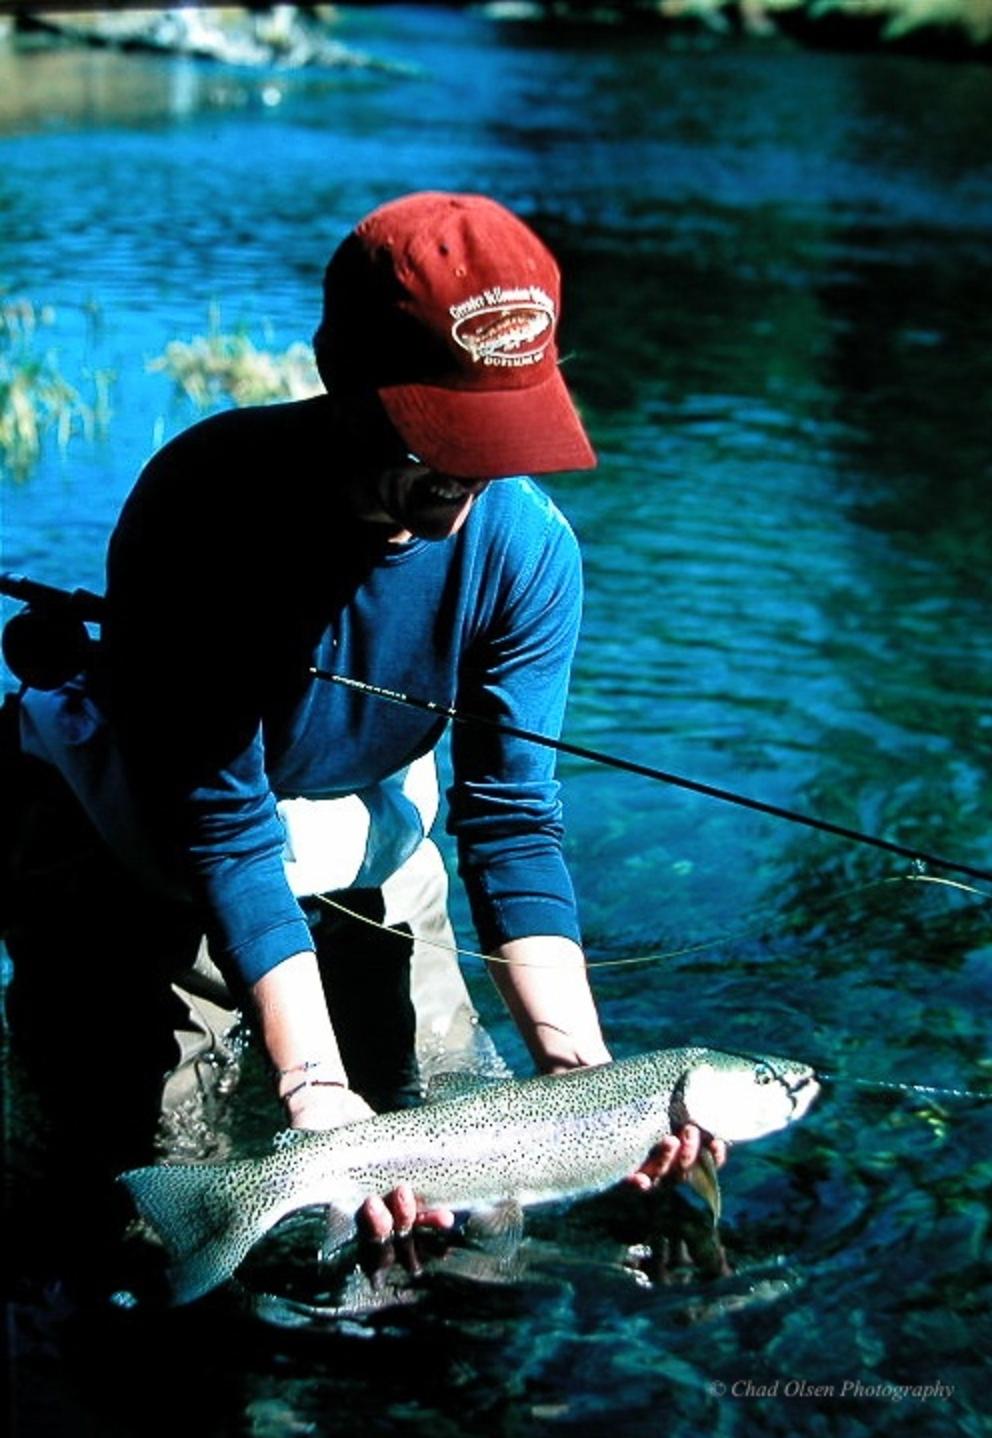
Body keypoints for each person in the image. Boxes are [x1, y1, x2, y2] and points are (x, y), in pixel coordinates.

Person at [6, 192, 718, 1260]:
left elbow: (512, 820)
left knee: (472, 1193)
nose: (457, 494)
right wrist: (314, 1089)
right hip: (139, 837)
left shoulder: (526, 553)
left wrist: (580, 1078)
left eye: (490, 446)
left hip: (362, 834)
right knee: (154, 1198)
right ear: (339, 377)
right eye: (434, 445)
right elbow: (226, 828)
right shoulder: (201, 505)